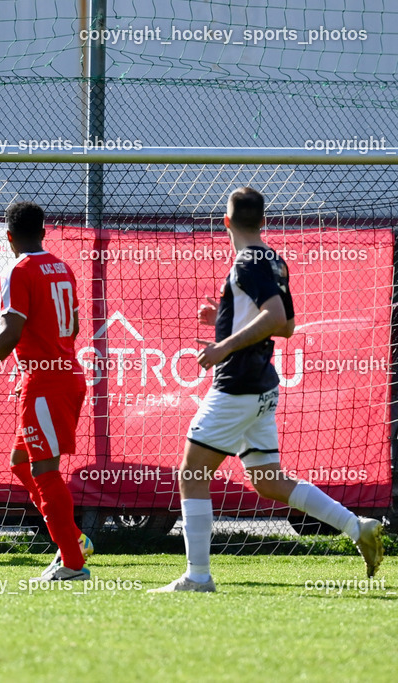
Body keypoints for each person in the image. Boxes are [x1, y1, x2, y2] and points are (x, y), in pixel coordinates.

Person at [151, 187, 384, 592]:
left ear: (225, 222)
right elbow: (286, 326)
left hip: (238, 386)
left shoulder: (245, 261)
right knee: (268, 481)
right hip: (261, 386)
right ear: (263, 222)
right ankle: (356, 525)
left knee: (192, 474)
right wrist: (221, 319)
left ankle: (198, 577)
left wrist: (222, 345)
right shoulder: (273, 258)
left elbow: (274, 316)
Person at [0, 201, 91, 582]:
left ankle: (73, 563)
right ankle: (72, 542)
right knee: (20, 462)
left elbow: (11, 332)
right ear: (44, 231)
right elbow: (74, 325)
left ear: (9, 236)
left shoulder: (18, 270)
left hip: (47, 384)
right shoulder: (62, 267)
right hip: (62, 375)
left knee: (45, 470)